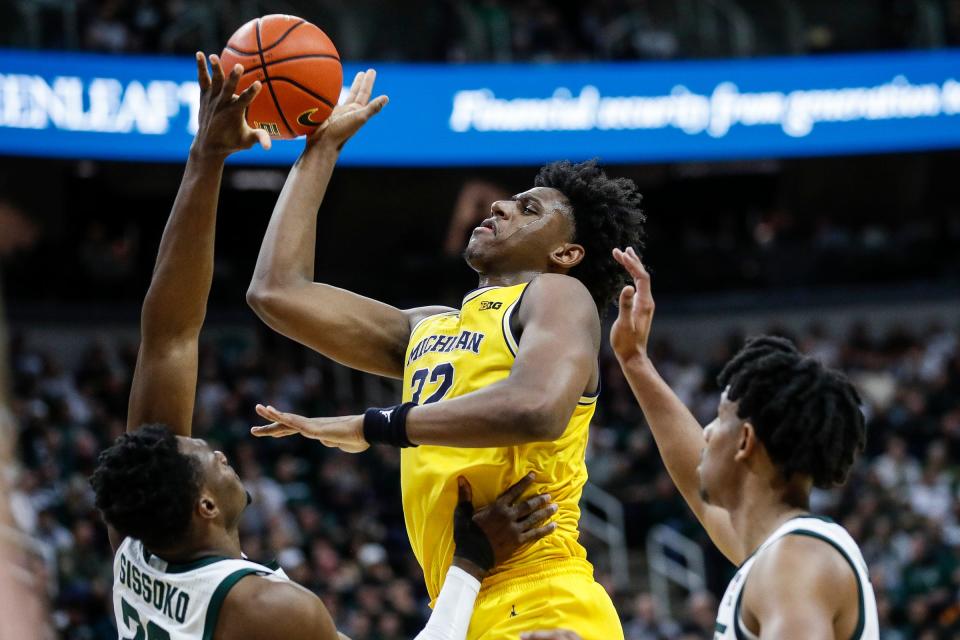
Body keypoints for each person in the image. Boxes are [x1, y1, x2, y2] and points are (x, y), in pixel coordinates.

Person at [89, 53, 556, 640]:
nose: (216, 449)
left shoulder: (137, 541)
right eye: (209, 458)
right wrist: (470, 561)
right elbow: (169, 335)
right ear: (205, 507)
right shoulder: (265, 608)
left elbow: (170, 335)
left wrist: (206, 158)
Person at [246, 69, 645, 639]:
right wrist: (321, 150)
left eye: (530, 209)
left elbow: (537, 407)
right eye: (511, 199)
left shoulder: (557, 295)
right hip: (464, 593)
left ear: (566, 251)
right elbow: (276, 292)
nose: (503, 204)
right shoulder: (427, 328)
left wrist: (374, 425)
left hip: (542, 596)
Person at [525, 247, 879, 639]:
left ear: (745, 441)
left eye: (719, 419)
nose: (706, 432)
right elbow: (698, 488)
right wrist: (634, 361)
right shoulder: (780, 552)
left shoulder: (792, 560)